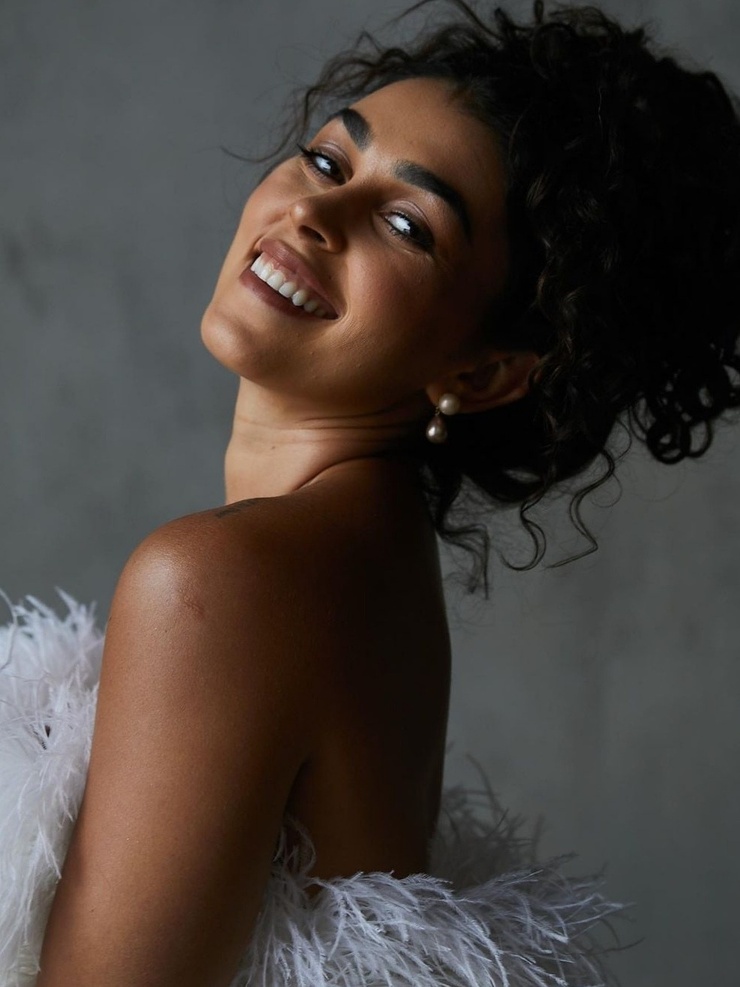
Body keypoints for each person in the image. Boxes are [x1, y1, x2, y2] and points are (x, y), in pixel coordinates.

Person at [1, 0, 739, 984]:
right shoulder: (366, 555)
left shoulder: (229, 579)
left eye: (404, 224)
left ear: (483, 372)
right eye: (326, 161)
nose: (315, 212)